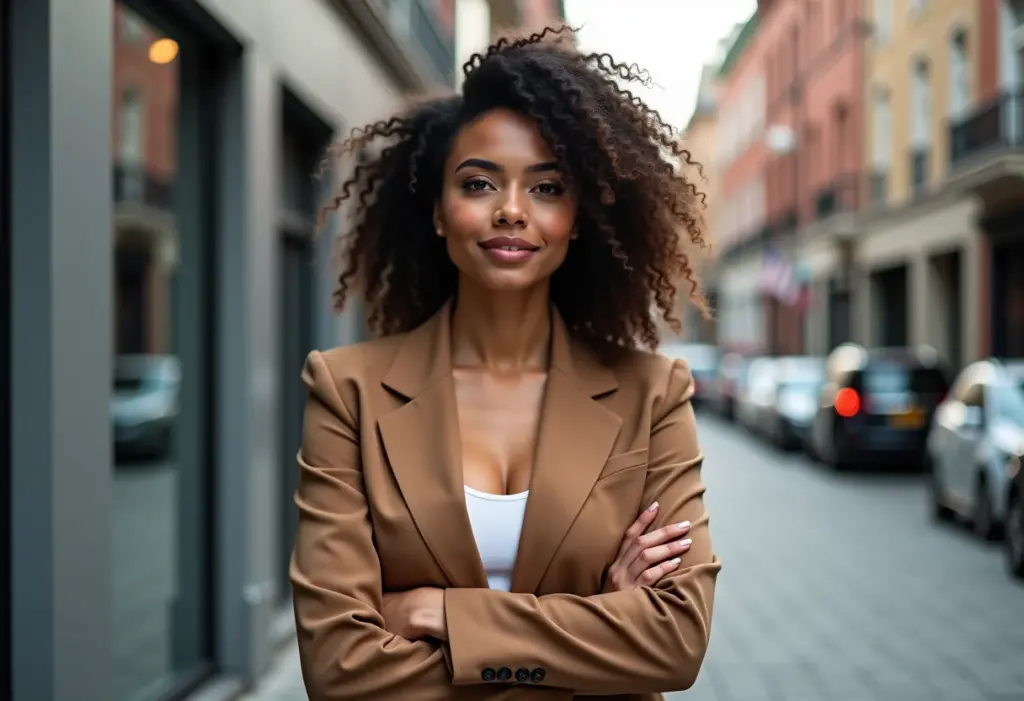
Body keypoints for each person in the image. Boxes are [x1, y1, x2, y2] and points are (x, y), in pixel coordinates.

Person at [290, 26, 721, 701]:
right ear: (437, 210)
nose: (513, 211)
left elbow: (675, 640)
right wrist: (603, 624)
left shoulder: (652, 395)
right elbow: (338, 666)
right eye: (479, 182)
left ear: (577, 218)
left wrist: (441, 614)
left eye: (547, 188)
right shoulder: (348, 391)